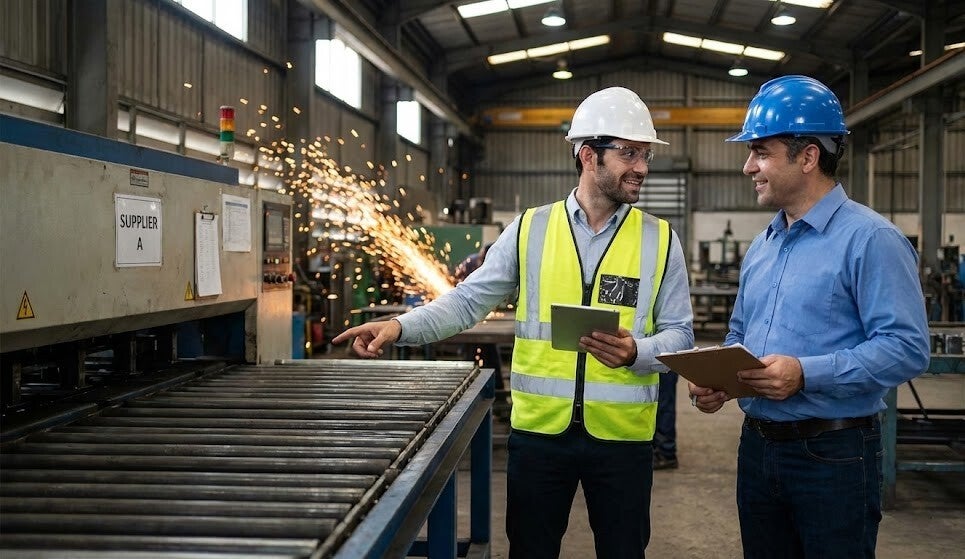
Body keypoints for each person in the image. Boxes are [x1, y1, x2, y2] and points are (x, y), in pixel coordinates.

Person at [333, 86, 694, 559]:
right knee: (530, 550)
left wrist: (637, 353)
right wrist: (400, 326)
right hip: (540, 437)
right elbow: (467, 302)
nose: (642, 167)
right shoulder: (529, 229)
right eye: (629, 153)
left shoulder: (661, 239)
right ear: (589, 155)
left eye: (645, 154)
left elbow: (681, 334)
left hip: (623, 441)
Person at [689, 75, 930, 558]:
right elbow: (741, 333)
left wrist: (806, 374)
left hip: (834, 456)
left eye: (760, 152)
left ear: (807, 156)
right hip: (757, 448)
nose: (747, 166)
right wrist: (721, 378)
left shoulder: (871, 240)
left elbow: (906, 347)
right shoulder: (763, 245)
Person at [652, 370, 678, 469]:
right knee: (662, 400)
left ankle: (665, 453)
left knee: (664, 401)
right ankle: (663, 450)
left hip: (664, 357)